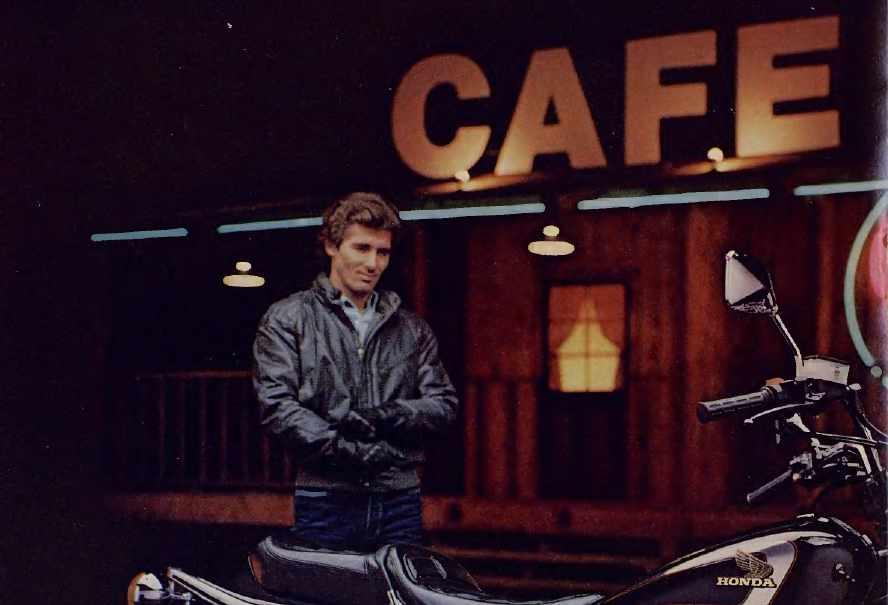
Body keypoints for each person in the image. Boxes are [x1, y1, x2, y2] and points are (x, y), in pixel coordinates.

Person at [252, 191, 458, 552]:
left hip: (398, 498)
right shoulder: (288, 318)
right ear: (332, 246)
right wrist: (345, 451)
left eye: (383, 252)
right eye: (361, 248)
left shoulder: (413, 329)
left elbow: (443, 405)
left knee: (397, 587)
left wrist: (386, 414)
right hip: (326, 497)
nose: (373, 263)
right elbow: (277, 407)